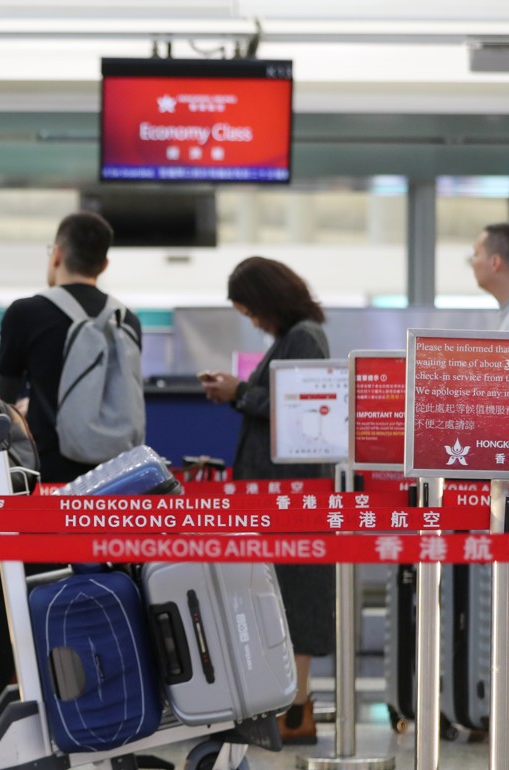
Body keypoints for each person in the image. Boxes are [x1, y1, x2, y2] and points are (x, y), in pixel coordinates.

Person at [0, 211, 143, 740]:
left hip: (42, 480)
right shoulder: (126, 318)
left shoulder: (28, 312)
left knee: (14, 588)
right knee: (105, 592)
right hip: (113, 482)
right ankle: (109, 699)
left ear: (56, 254)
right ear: (105, 263)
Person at [199, 256, 333, 745]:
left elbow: (303, 408)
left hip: (294, 493)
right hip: (280, 491)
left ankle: (295, 709)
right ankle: (286, 705)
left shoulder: (304, 338)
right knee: (281, 594)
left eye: (252, 311)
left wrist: (238, 392)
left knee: (297, 595)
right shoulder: (293, 337)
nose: (254, 322)